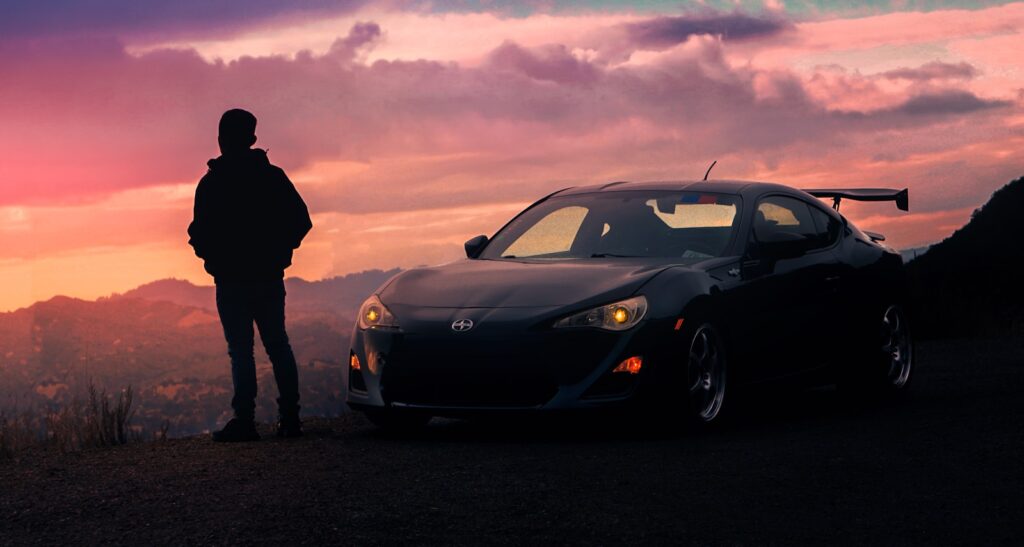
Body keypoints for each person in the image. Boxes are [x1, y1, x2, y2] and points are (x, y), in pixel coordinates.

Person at [188, 109, 313, 442]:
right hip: (268, 277)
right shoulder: (272, 178)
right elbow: (301, 221)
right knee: (278, 345)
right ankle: (290, 420)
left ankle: (245, 421)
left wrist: (213, 259)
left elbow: (198, 234)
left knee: (241, 352)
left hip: (230, 281)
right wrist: (279, 252)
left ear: (221, 140)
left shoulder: (212, 184)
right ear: (253, 140)